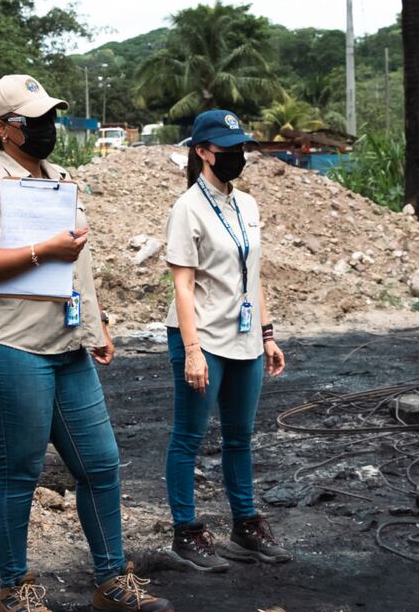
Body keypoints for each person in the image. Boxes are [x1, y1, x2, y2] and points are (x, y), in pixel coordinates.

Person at [0, 75, 172, 612]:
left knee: (100, 464)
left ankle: (110, 582)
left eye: (50, 115)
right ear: (3, 129)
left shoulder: (61, 179)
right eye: (35, 119)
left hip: (66, 347)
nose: (48, 127)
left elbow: (81, 268)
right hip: (10, 348)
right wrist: (43, 250)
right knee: (20, 472)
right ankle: (15, 590)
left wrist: (96, 328)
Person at [162, 110, 291, 573]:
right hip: (202, 337)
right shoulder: (188, 208)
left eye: (240, 148)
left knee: (240, 437)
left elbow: (253, 275)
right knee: (189, 437)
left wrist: (268, 333)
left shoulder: (248, 206)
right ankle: (187, 533)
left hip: (246, 338)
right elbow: (181, 285)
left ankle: (245, 527)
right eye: (226, 149)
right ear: (201, 152)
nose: (236, 156)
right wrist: (192, 351)